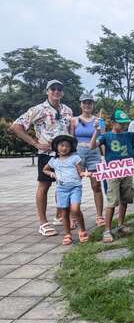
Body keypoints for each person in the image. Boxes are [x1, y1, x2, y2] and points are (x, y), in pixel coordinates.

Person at [10, 79, 73, 237]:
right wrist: (35, 143)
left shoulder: (68, 110)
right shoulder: (38, 109)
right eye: (53, 89)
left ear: (62, 92)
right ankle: (43, 222)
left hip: (64, 155)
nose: (56, 91)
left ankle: (60, 215)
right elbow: (16, 126)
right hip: (47, 154)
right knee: (44, 186)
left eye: (59, 89)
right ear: (47, 91)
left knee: (63, 184)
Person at [90, 109, 134, 243]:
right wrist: (96, 131)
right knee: (112, 200)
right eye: (120, 123)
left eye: (125, 123)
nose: (123, 126)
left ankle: (120, 225)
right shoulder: (106, 136)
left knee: (125, 198)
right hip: (113, 172)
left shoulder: (129, 135)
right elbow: (92, 146)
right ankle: (107, 230)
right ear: (113, 123)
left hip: (126, 170)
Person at [42, 135, 89, 245]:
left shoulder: (75, 158)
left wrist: (85, 174)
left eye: (67, 146)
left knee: (75, 209)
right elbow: (45, 169)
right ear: (56, 147)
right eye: (61, 145)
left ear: (71, 147)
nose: (64, 148)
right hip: (61, 190)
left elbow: (80, 172)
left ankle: (82, 230)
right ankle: (67, 234)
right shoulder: (53, 161)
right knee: (64, 212)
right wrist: (52, 173)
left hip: (75, 188)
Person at [70, 92, 105, 226]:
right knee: (73, 185)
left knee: (96, 185)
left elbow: (103, 139)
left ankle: (99, 216)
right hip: (78, 153)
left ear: (93, 104)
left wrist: (105, 156)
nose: (87, 105)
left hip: (94, 153)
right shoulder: (74, 120)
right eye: (84, 102)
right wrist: (71, 157)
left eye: (89, 102)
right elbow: (71, 140)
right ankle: (73, 217)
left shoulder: (99, 120)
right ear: (81, 104)